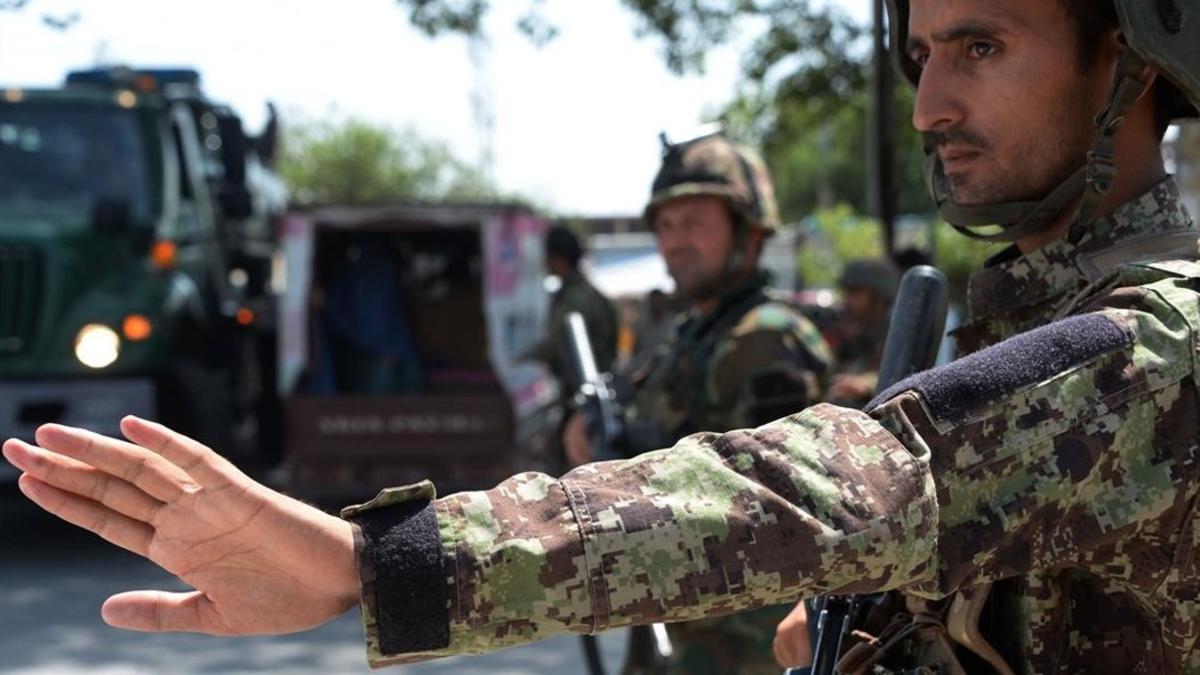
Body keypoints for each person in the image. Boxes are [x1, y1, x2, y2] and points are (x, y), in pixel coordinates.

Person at [4, 1, 1199, 673]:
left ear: (1132, 56)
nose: (933, 101)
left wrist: (380, 564)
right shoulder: (1035, 311)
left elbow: (855, 481)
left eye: (982, 46)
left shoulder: (1162, 335)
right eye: (923, 53)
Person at [562, 130, 833, 674]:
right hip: (681, 620)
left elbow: (771, 505)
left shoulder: (764, 338)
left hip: (743, 638)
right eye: (665, 225)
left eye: (694, 223)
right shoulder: (693, 334)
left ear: (748, 233)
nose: (674, 241)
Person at [525, 224, 619, 391]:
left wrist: (521, 359)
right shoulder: (590, 294)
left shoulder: (574, 300)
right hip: (597, 388)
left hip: (583, 392)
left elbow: (555, 347)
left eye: (548, 255)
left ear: (558, 258)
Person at [825, 258, 900, 407]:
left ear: (877, 297)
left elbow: (905, 377)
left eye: (855, 292)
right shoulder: (844, 329)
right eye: (847, 292)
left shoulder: (895, 336)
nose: (847, 300)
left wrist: (866, 384)